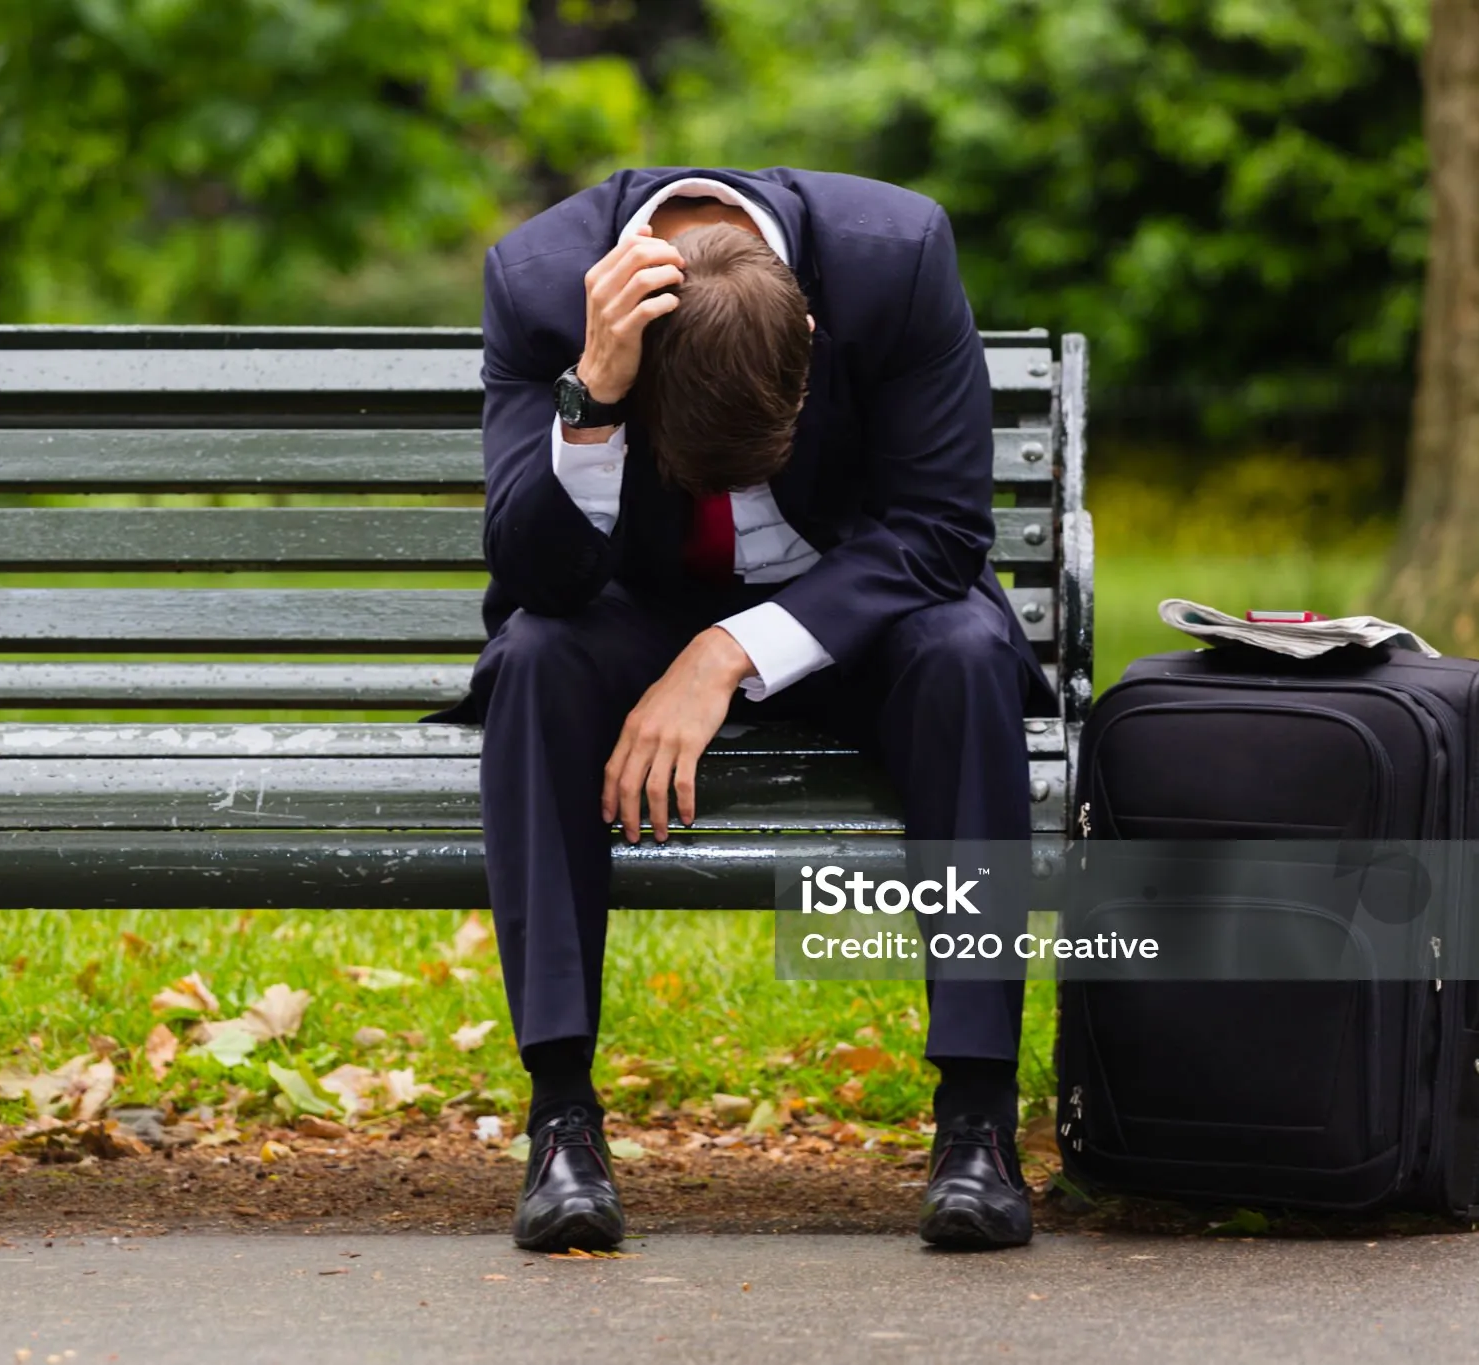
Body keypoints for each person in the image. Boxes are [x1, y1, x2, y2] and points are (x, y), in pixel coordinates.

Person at [448, 168, 1055, 1252]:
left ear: (810, 341)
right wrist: (592, 396)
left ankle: (976, 1122)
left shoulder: (897, 256)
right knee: (534, 661)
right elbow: (532, 578)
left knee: (965, 653)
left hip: (858, 603)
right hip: (635, 605)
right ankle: (560, 1121)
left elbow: (940, 529)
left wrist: (726, 655)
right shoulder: (539, 284)